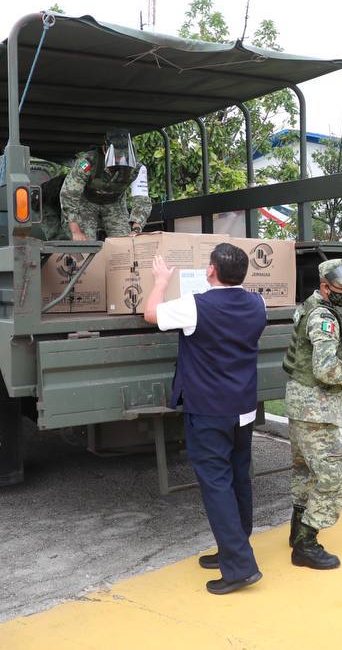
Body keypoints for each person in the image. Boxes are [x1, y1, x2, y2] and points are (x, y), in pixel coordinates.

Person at [142, 243, 267, 594]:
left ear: (211, 270)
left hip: (209, 410)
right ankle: (234, 548)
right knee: (238, 477)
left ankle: (239, 567)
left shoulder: (195, 306)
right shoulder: (258, 303)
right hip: (243, 407)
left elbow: (150, 314)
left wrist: (160, 281)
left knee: (216, 486)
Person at [281, 258, 342, 570]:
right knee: (334, 478)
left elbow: (313, 335)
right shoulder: (324, 317)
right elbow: (325, 368)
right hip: (316, 410)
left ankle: (297, 532)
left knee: (305, 472)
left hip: (299, 402)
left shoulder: (311, 305)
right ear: (325, 287)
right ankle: (306, 544)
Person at [61, 129, 153, 240]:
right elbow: (69, 195)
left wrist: (136, 228)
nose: (120, 160)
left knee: (125, 241)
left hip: (114, 203)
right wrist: (76, 232)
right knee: (85, 243)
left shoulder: (137, 168)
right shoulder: (88, 162)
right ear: (105, 150)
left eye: (124, 156)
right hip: (86, 202)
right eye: (117, 156)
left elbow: (142, 200)